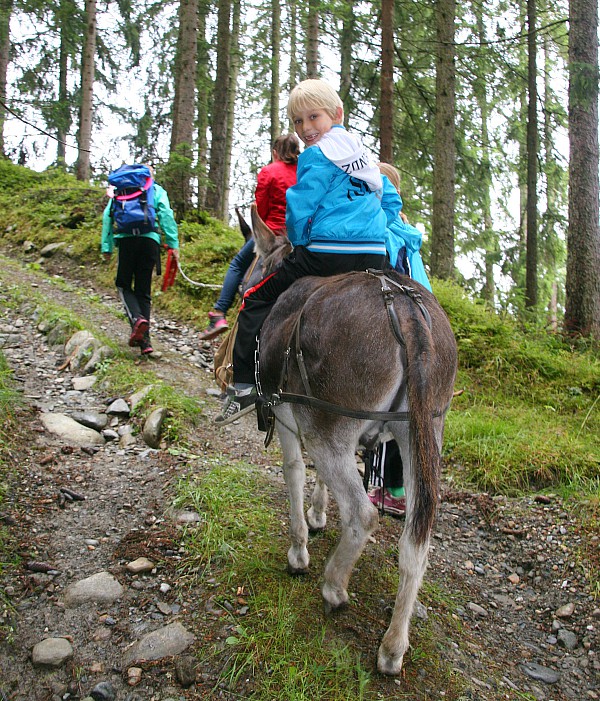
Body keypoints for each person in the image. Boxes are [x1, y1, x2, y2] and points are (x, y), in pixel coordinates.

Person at [214, 79, 402, 425]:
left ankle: (242, 387)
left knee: (255, 297)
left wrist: (299, 244)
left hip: (325, 254)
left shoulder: (316, 155)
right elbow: (391, 199)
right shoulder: (359, 153)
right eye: (298, 122)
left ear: (337, 114)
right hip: (375, 256)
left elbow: (300, 207)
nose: (306, 128)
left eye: (313, 117)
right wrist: (372, 227)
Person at [366, 162, 433, 517]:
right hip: (420, 315)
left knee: (382, 411)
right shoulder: (407, 230)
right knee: (406, 410)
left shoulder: (383, 227)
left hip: (390, 316)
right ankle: (397, 488)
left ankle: (379, 489)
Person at [199, 134, 300, 341]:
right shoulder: (305, 171)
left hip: (271, 235)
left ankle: (219, 313)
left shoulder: (269, 172)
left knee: (237, 264)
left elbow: (260, 211)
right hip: (298, 238)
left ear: (275, 153)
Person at [101, 165, 180, 355]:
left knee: (123, 284)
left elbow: (107, 216)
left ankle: (137, 320)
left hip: (127, 241)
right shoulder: (156, 189)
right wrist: (173, 243)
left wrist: (107, 246)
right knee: (143, 291)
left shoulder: (122, 190)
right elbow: (166, 214)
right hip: (149, 240)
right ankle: (146, 343)